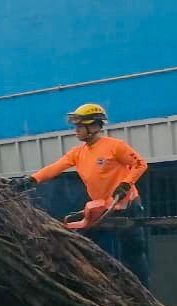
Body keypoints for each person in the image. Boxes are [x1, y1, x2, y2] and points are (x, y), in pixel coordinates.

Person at [9, 103, 151, 286]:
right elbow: (55, 168)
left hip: (126, 205)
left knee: (133, 252)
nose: (76, 130)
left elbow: (140, 164)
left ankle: (142, 291)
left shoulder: (115, 146)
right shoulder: (78, 153)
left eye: (79, 126)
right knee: (93, 249)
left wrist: (125, 184)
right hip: (101, 207)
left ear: (92, 126)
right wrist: (30, 180)